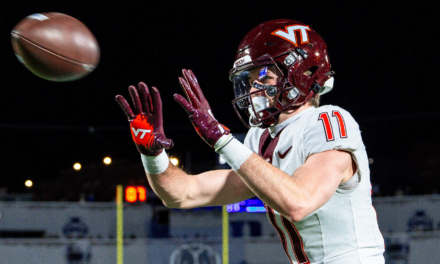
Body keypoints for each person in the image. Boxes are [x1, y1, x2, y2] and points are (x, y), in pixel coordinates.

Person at [116, 19, 385, 264]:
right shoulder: (262, 136)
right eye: (251, 79)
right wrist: (152, 155)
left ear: (302, 73)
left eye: (264, 77)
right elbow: (182, 193)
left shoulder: (329, 120)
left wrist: (222, 139)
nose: (254, 88)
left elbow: (299, 202)